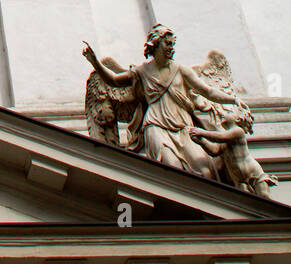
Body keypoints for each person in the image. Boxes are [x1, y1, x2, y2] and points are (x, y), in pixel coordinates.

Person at [82, 24, 237, 177]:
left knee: (205, 173)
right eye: (167, 43)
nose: (171, 48)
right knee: (171, 168)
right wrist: (95, 61)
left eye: (172, 44)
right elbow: (114, 80)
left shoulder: (181, 70)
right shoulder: (142, 71)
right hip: (156, 126)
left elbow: (208, 91)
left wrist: (233, 100)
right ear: (155, 43)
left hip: (183, 126)